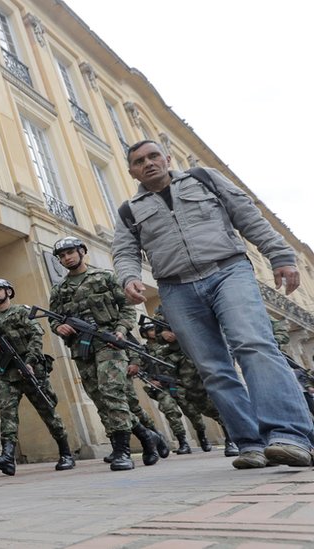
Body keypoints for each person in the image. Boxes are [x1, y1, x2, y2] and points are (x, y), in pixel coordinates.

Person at [113, 140, 314, 469]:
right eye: (139, 161)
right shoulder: (129, 210)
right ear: (132, 170)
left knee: (254, 345)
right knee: (212, 369)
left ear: (166, 158)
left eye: (153, 156)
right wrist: (128, 277)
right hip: (176, 288)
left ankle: (290, 435)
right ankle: (250, 442)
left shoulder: (203, 178)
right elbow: (124, 252)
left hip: (228, 271)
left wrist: (280, 256)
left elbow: (247, 215)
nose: (148, 163)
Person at [47, 237, 163, 471]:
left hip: (109, 345)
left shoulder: (104, 277)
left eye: (70, 252)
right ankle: (146, 436)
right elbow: (53, 318)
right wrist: (58, 327)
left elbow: (127, 309)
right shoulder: (59, 289)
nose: (66, 258)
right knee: (100, 399)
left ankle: (122, 452)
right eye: (61, 256)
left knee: (113, 394)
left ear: (81, 252)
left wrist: (120, 331)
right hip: (82, 349)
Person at [0, 279, 74, 476]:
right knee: (7, 414)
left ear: (9, 292)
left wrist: (29, 362)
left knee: (47, 410)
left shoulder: (22, 312)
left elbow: (36, 337)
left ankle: (66, 453)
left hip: (30, 371)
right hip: (6, 376)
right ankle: (7, 457)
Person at [152, 307, 233, 455]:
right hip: (181, 361)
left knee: (212, 398)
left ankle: (231, 437)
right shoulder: (161, 312)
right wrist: (164, 335)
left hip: (200, 353)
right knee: (198, 402)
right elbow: (157, 337)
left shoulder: (194, 301)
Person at [134, 323, 191, 454]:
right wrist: (150, 380)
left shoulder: (170, 345)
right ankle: (183, 442)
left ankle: (202, 435)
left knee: (191, 411)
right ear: (144, 333)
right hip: (162, 387)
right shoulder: (143, 350)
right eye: (151, 330)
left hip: (179, 383)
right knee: (171, 411)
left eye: (154, 329)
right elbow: (141, 370)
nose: (154, 332)